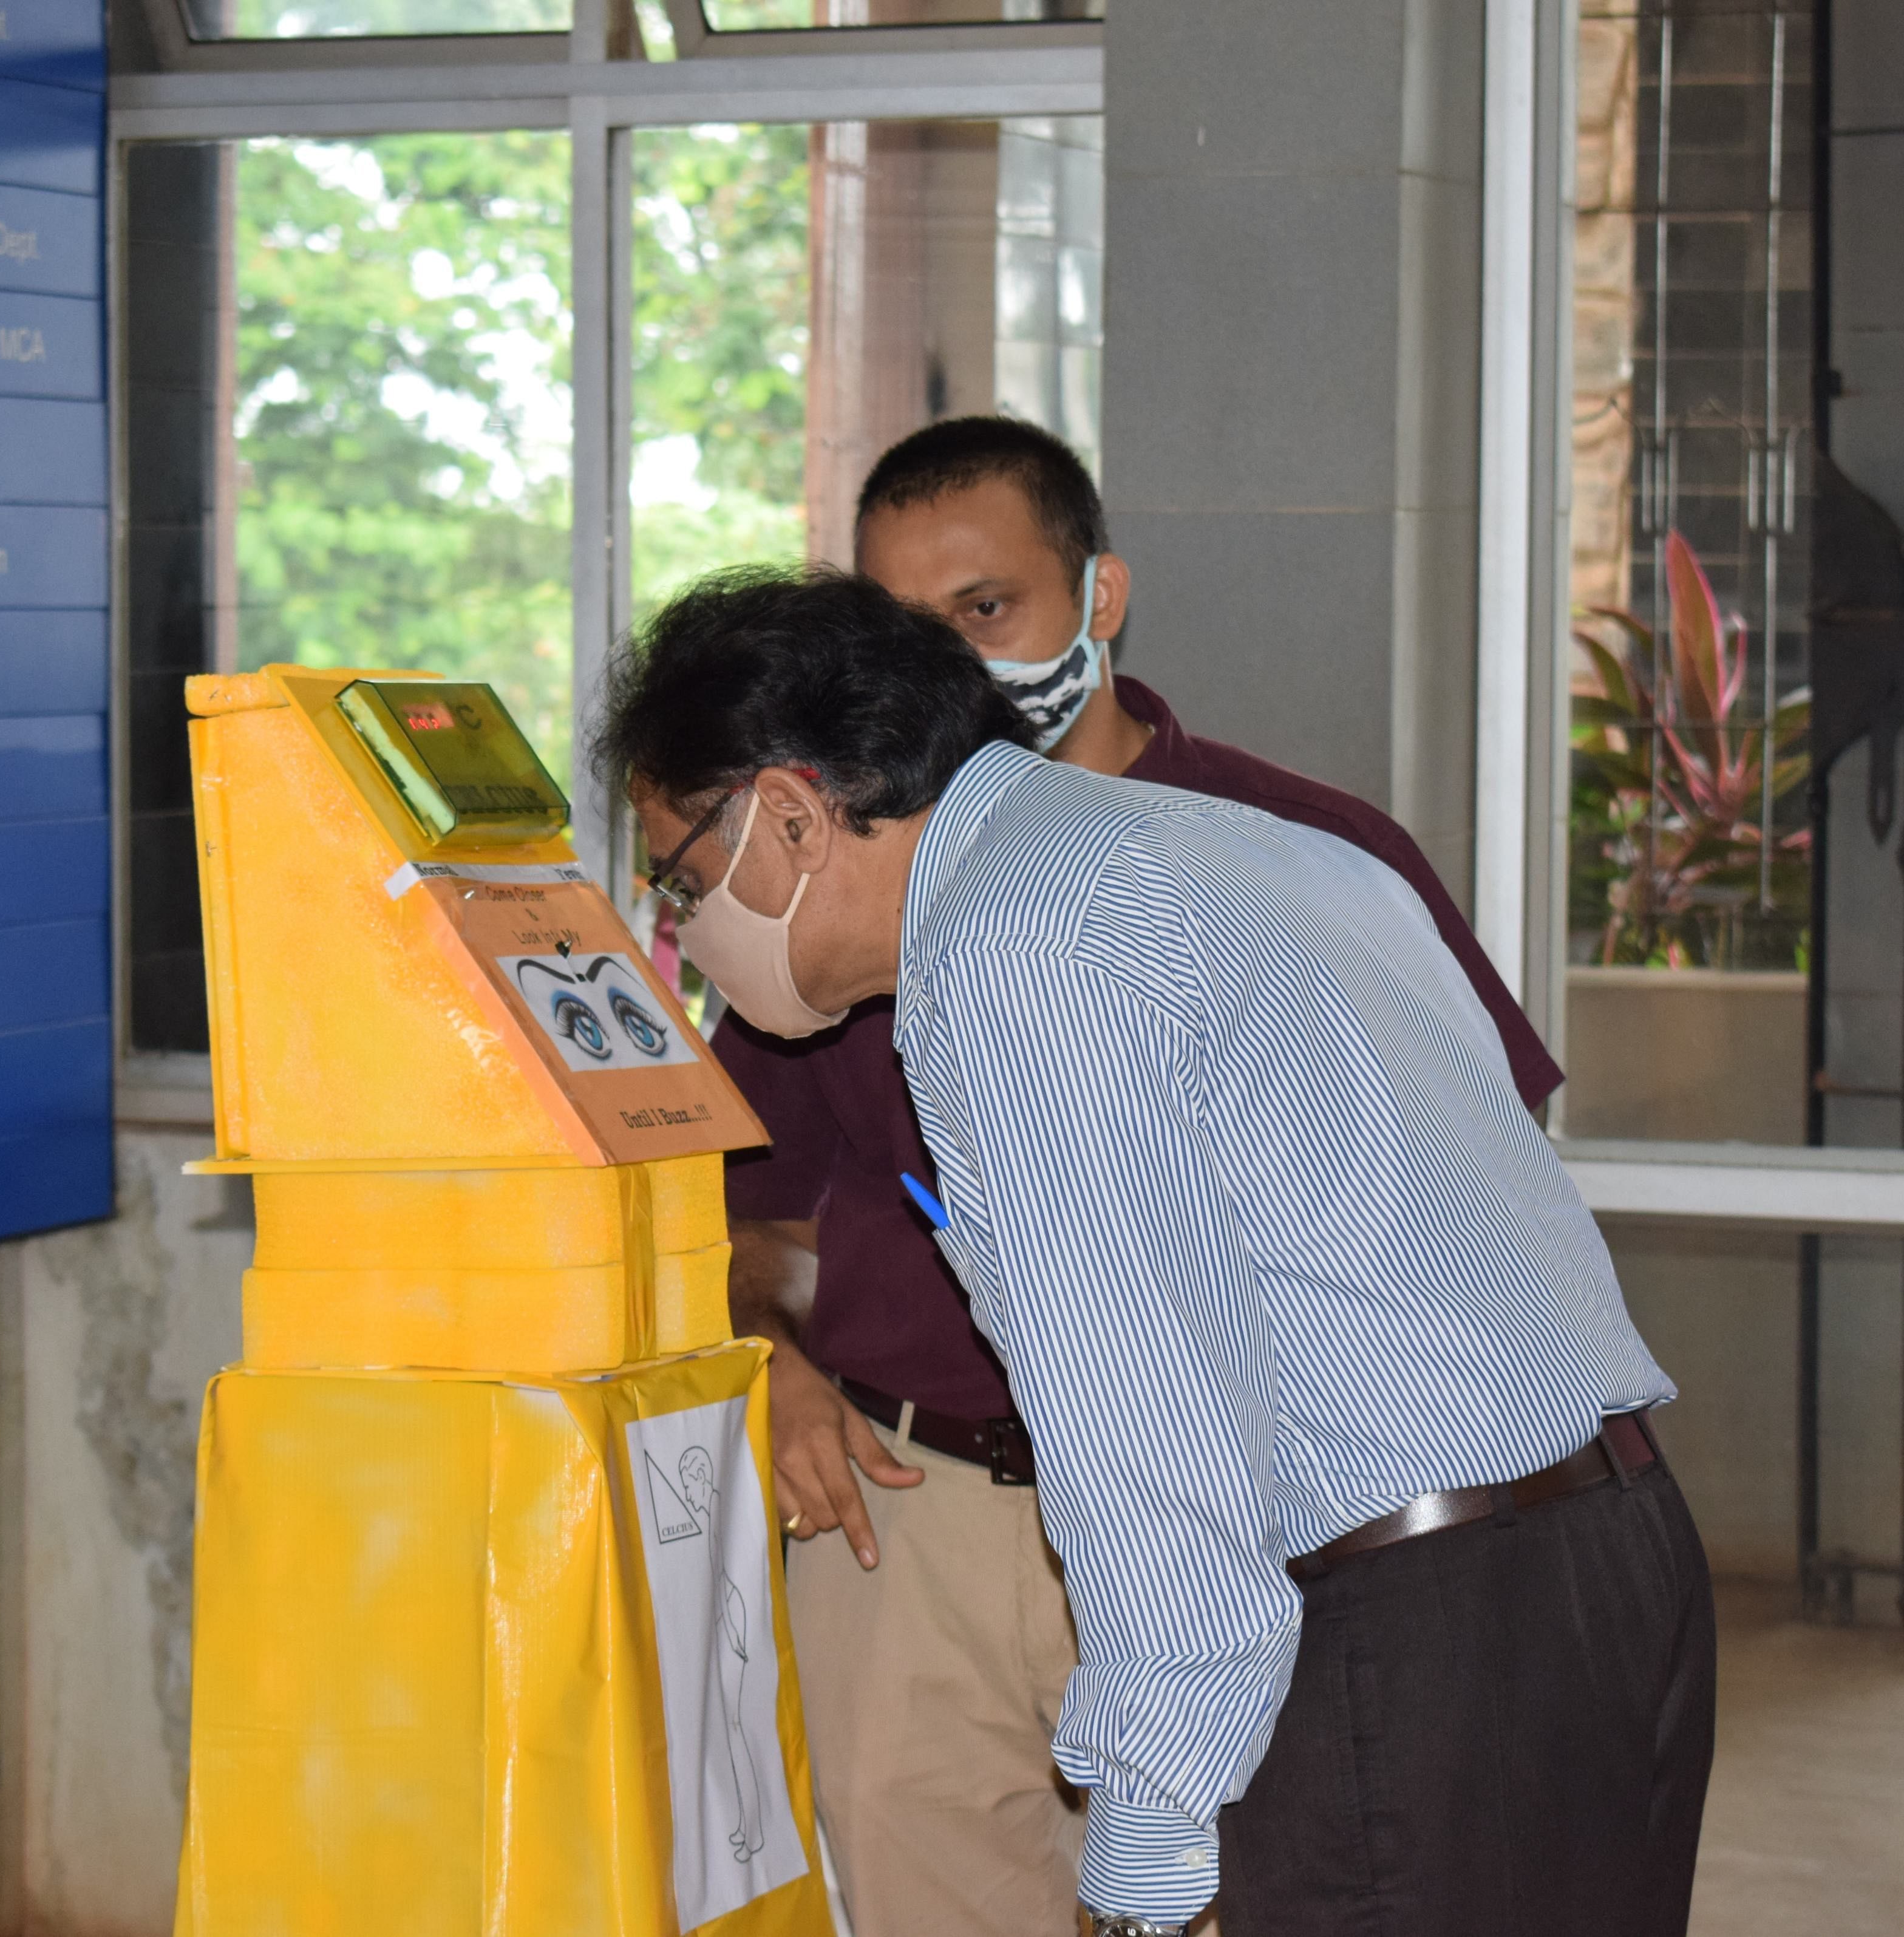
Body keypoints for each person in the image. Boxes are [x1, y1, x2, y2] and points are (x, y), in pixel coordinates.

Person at [600, 569, 1713, 1937]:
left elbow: (1150, 1427)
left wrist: (1146, 1843)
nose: (683, 929)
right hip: (1611, 1550)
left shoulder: (1014, 945)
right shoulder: (1256, 848)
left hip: (1416, 1625)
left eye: (684, 875)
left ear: (788, 811)